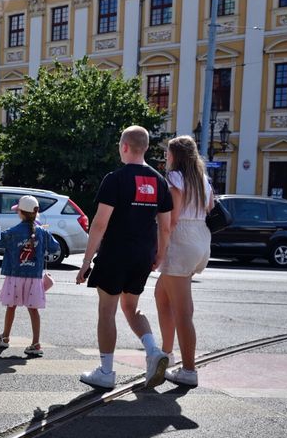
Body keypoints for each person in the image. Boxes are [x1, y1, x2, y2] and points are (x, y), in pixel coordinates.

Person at [76, 125, 173, 389]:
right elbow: (165, 226)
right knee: (131, 307)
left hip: (115, 253)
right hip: (143, 255)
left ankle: (106, 372)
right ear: (146, 148)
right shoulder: (159, 181)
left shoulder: (115, 179)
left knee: (107, 311)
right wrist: (160, 254)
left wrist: (85, 262)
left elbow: (99, 224)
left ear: (125, 147)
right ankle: (154, 352)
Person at [155, 136, 214, 388]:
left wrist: (160, 249)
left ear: (175, 156)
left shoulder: (176, 178)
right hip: (200, 239)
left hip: (181, 241)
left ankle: (188, 369)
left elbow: (173, 218)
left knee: (183, 311)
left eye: (167, 154)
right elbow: (209, 207)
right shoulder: (203, 180)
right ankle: (166, 355)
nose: (165, 158)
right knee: (162, 296)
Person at [0, 195, 60, 357]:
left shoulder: (14, 231)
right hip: (34, 277)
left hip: (15, 276)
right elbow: (55, 248)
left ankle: (5, 337)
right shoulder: (42, 232)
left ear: (20, 212)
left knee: (11, 306)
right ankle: (35, 344)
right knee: (33, 309)